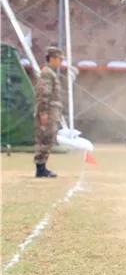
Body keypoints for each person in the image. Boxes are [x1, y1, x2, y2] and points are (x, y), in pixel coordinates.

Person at [33, 46, 63, 178]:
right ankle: (41, 168)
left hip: (52, 111)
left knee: (48, 138)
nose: (60, 62)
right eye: (58, 59)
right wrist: (43, 112)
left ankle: (42, 167)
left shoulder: (50, 73)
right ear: (52, 58)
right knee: (45, 138)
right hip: (48, 111)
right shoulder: (47, 73)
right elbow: (44, 93)